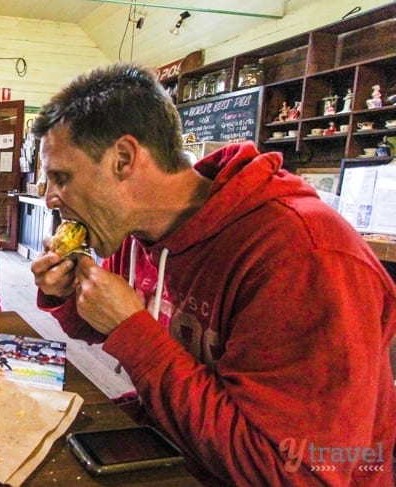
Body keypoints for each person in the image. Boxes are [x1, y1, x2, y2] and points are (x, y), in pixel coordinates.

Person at [29, 62, 395, 485]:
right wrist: (69, 294)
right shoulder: (135, 228)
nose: (50, 198)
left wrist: (134, 331)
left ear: (123, 159)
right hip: (176, 447)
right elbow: (105, 323)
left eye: (61, 177)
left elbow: (289, 473)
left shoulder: (303, 256)